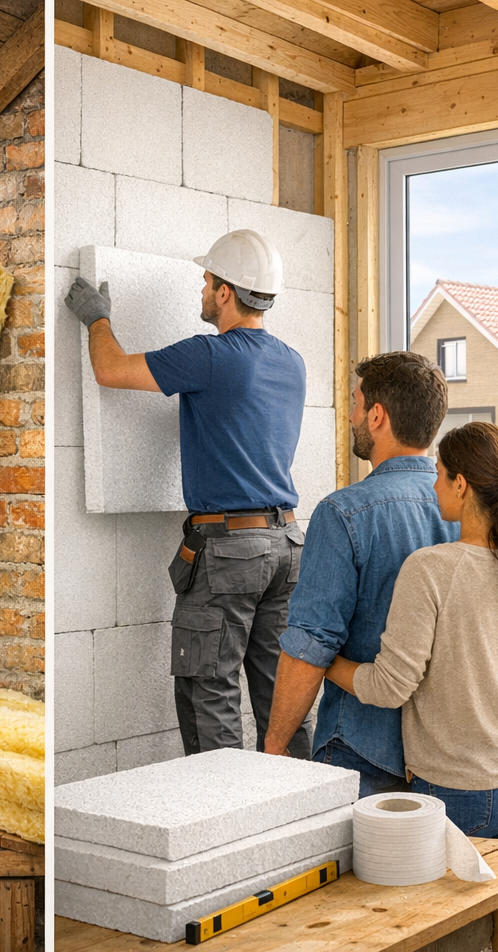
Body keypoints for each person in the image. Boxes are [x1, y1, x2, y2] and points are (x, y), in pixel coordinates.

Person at [65, 230, 311, 757]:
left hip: (228, 552)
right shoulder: (292, 361)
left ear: (226, 292)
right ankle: (300, 818)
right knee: (280, 698)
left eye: (206, 281)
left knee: (210, 692)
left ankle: (223, 822)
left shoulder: (210, 356)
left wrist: (96, 318)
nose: (201, 290)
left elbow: (110, 369)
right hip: (285, 545)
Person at [325, 422, 498, 842]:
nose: (433, 486)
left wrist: (324, 661)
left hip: (462, 789)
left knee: (450, 907)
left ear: (461, 484)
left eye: (438, 473)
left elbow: (390, 687)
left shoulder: (430, 568)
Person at [264, 350, 455, 796]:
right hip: (446, 756)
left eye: (354, 403)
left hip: (362, 747)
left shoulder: (344, 513)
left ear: (376, 415)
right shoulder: (470, 510)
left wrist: (274, 745)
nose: (349, 416)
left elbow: (311, 643)